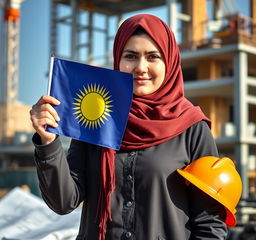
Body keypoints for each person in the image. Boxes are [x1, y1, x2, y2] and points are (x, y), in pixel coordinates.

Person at [30, 14, 228, 240]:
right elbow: (64, 202)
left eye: (153, 57)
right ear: (118, 60)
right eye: (131, 56)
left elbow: (209, 223)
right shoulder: (97, 117)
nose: (140, 67)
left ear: (170, 62)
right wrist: (48, 142)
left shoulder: (192, 128)